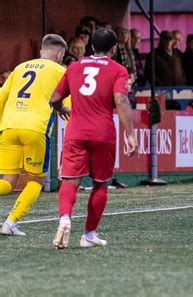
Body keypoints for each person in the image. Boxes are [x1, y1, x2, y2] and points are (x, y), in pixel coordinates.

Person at [50, 28, 138, 249]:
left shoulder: (74, 67)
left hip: (75, 132)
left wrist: (61, 107)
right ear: (114, 48)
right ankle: (89, 235)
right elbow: (121, 101)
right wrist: (130, 134)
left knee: (70, 181)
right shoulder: (118, 70)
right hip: (103, 133)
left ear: (91, 47)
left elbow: (54, 98)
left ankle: (64, 218)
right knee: (100, 184)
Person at [0, 34, 67, 236]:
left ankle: (10, 224)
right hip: (35, 129)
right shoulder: (60, 70)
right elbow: (70, 105)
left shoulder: (20, 67)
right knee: (36, 180)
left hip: (9, 127)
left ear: (41, 52)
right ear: (61, 54)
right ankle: (10, 223)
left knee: (8, 180)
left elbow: (1, 96)